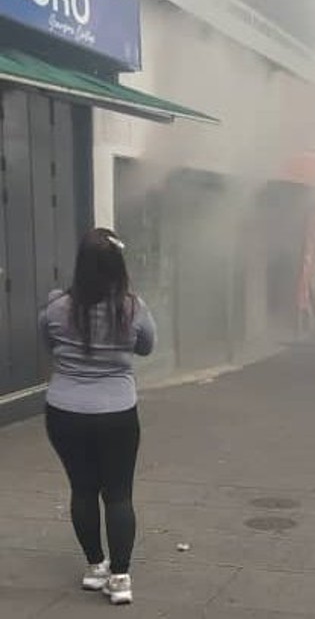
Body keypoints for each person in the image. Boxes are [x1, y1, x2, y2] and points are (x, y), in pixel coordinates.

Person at [39, 228, 156, 605]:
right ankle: (120, 578)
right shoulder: (132, 308)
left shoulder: (56, 307)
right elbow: (147, 346)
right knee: (118, 494)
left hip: (64, 412)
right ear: (118, 266)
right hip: (117, 412)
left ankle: (94, 567)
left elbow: (49, 342)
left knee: (83, 488)